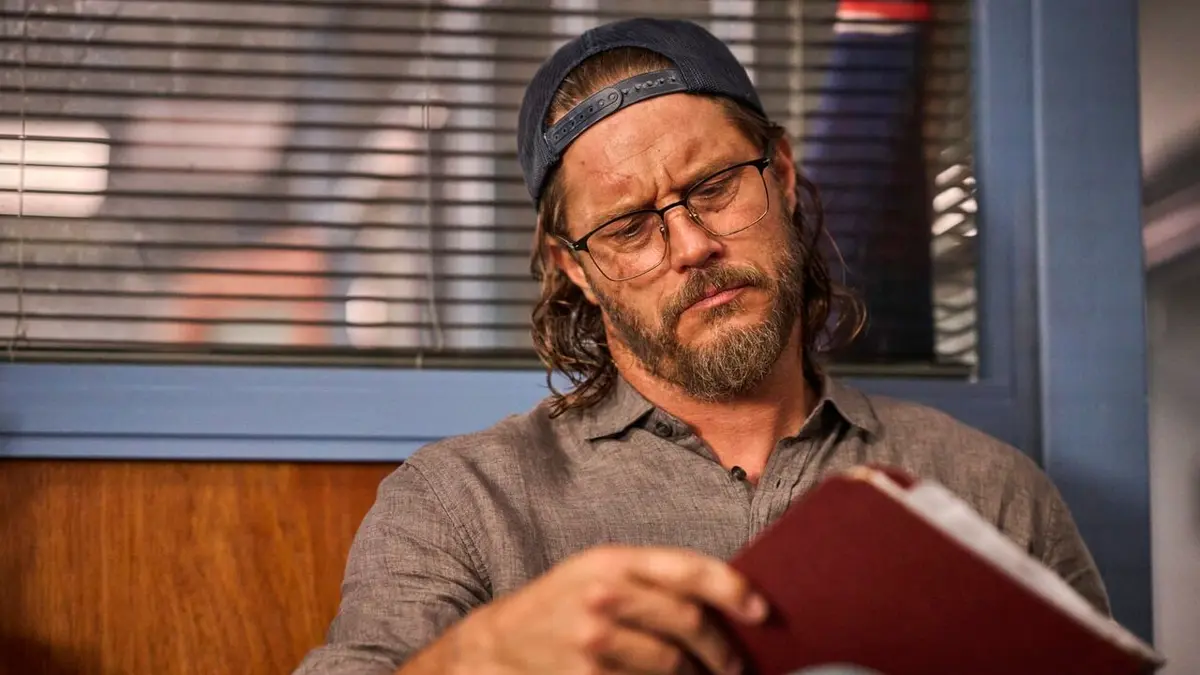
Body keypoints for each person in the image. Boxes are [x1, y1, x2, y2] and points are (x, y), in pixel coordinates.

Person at [294, 17, 1108, 675]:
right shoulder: (461, 503)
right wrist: (475, 658)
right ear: (574, 268)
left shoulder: (990, 492)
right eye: (628, 227)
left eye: (714, 188)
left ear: (780, 176)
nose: (691, 245)